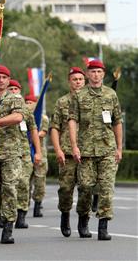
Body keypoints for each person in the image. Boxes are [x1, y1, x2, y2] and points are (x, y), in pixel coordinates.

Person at [0, 65, 41, 244]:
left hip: (12, 153)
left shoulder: (15, 99)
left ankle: (8, 228)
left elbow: (18, 118)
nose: (1, 80)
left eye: (4, 77)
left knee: (10, 188)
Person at [68, 60, 123, 240]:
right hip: (86, 150)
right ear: (87, 74)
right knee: (85, 187)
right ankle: (83, 218)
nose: (96, 75)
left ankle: (103, 226)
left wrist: (119, 147)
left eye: (99, 72)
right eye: (92, 72)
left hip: (107, 149)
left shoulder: (111, 94)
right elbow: (73, 121)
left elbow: (117, 122)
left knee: (107, 188)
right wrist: (74, 145)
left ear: (103, 74)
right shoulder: (79, 95)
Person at [50, 66, 86, 237]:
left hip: (88, 151)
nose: (78, 82)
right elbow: (55, 128)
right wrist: (58, 150)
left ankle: (83, 221)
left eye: (80, 79)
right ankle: (65, 215)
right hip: (67, 152)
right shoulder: (62, 102)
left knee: (86, 188)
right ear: (69, 82)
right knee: (66, 189)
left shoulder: (91, 100)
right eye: (75, 79)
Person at [5, 80, 42, 229]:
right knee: (7, 185)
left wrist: (38, 152)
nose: (13, 91)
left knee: (23, 183)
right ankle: (5, 213)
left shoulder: (25, 110)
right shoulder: (1, 106)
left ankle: (21, 214)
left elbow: (34, 130)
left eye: (16, 88)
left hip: (24, 152)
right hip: (6, 151)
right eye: (11, 88)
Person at [24, 95, 49, 218]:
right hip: (25, 152)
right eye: (26, 102)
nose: (29, 104)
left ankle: (38, 205)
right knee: (25, 181)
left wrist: (32, 134)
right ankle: (24, 205)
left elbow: (43, 132)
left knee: (40, 181)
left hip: (40, 153)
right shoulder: (22, 117)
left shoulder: (42, 118)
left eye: (31, 102)